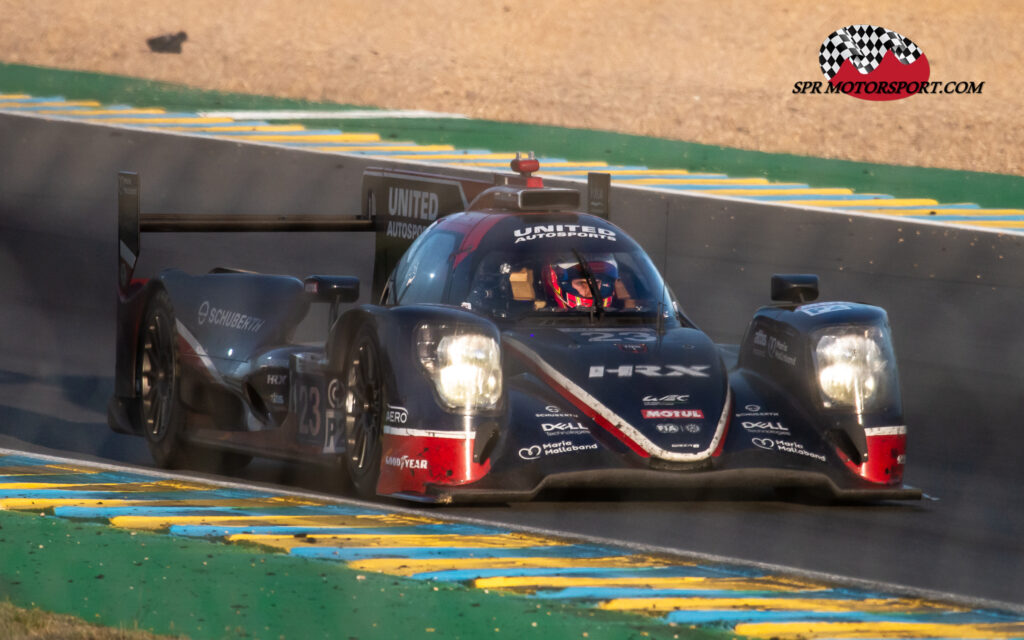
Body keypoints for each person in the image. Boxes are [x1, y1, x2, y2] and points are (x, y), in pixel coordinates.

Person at [544, 255, 618, 309]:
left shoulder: (625, 315)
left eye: (595, 283)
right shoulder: (535, 318)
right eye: (581, 283)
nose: (590, 292)